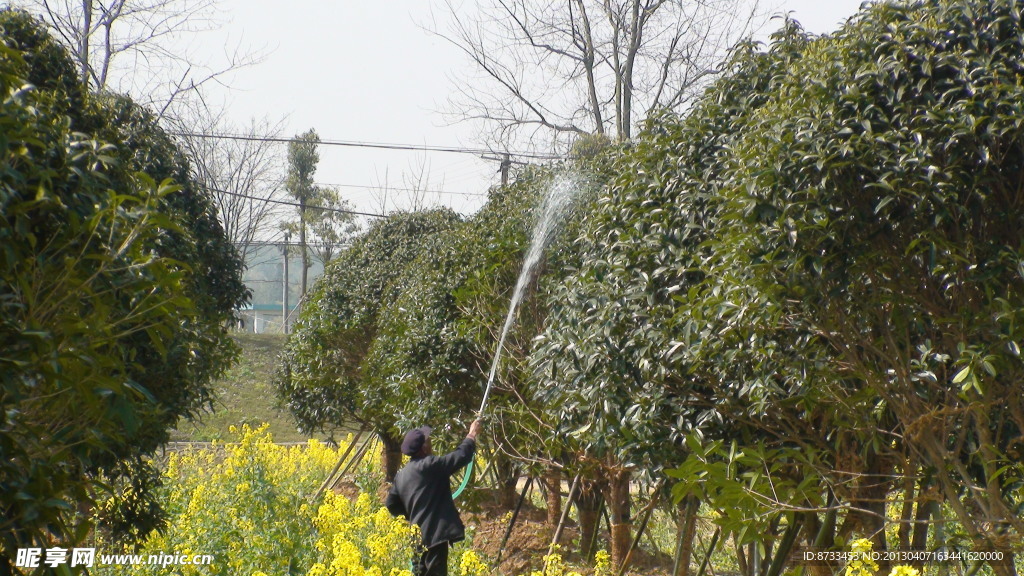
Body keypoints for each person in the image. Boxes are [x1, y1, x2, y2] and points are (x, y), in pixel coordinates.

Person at [385, 419, 482, 576]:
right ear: (423, 447)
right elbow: (461, 456)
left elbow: (391, 504)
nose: (431, 443)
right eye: (428, 441)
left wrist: (412, 514)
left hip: (417, 537)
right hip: (435, 536)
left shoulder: (401, 475)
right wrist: (472, 434)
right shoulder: (430, 465)